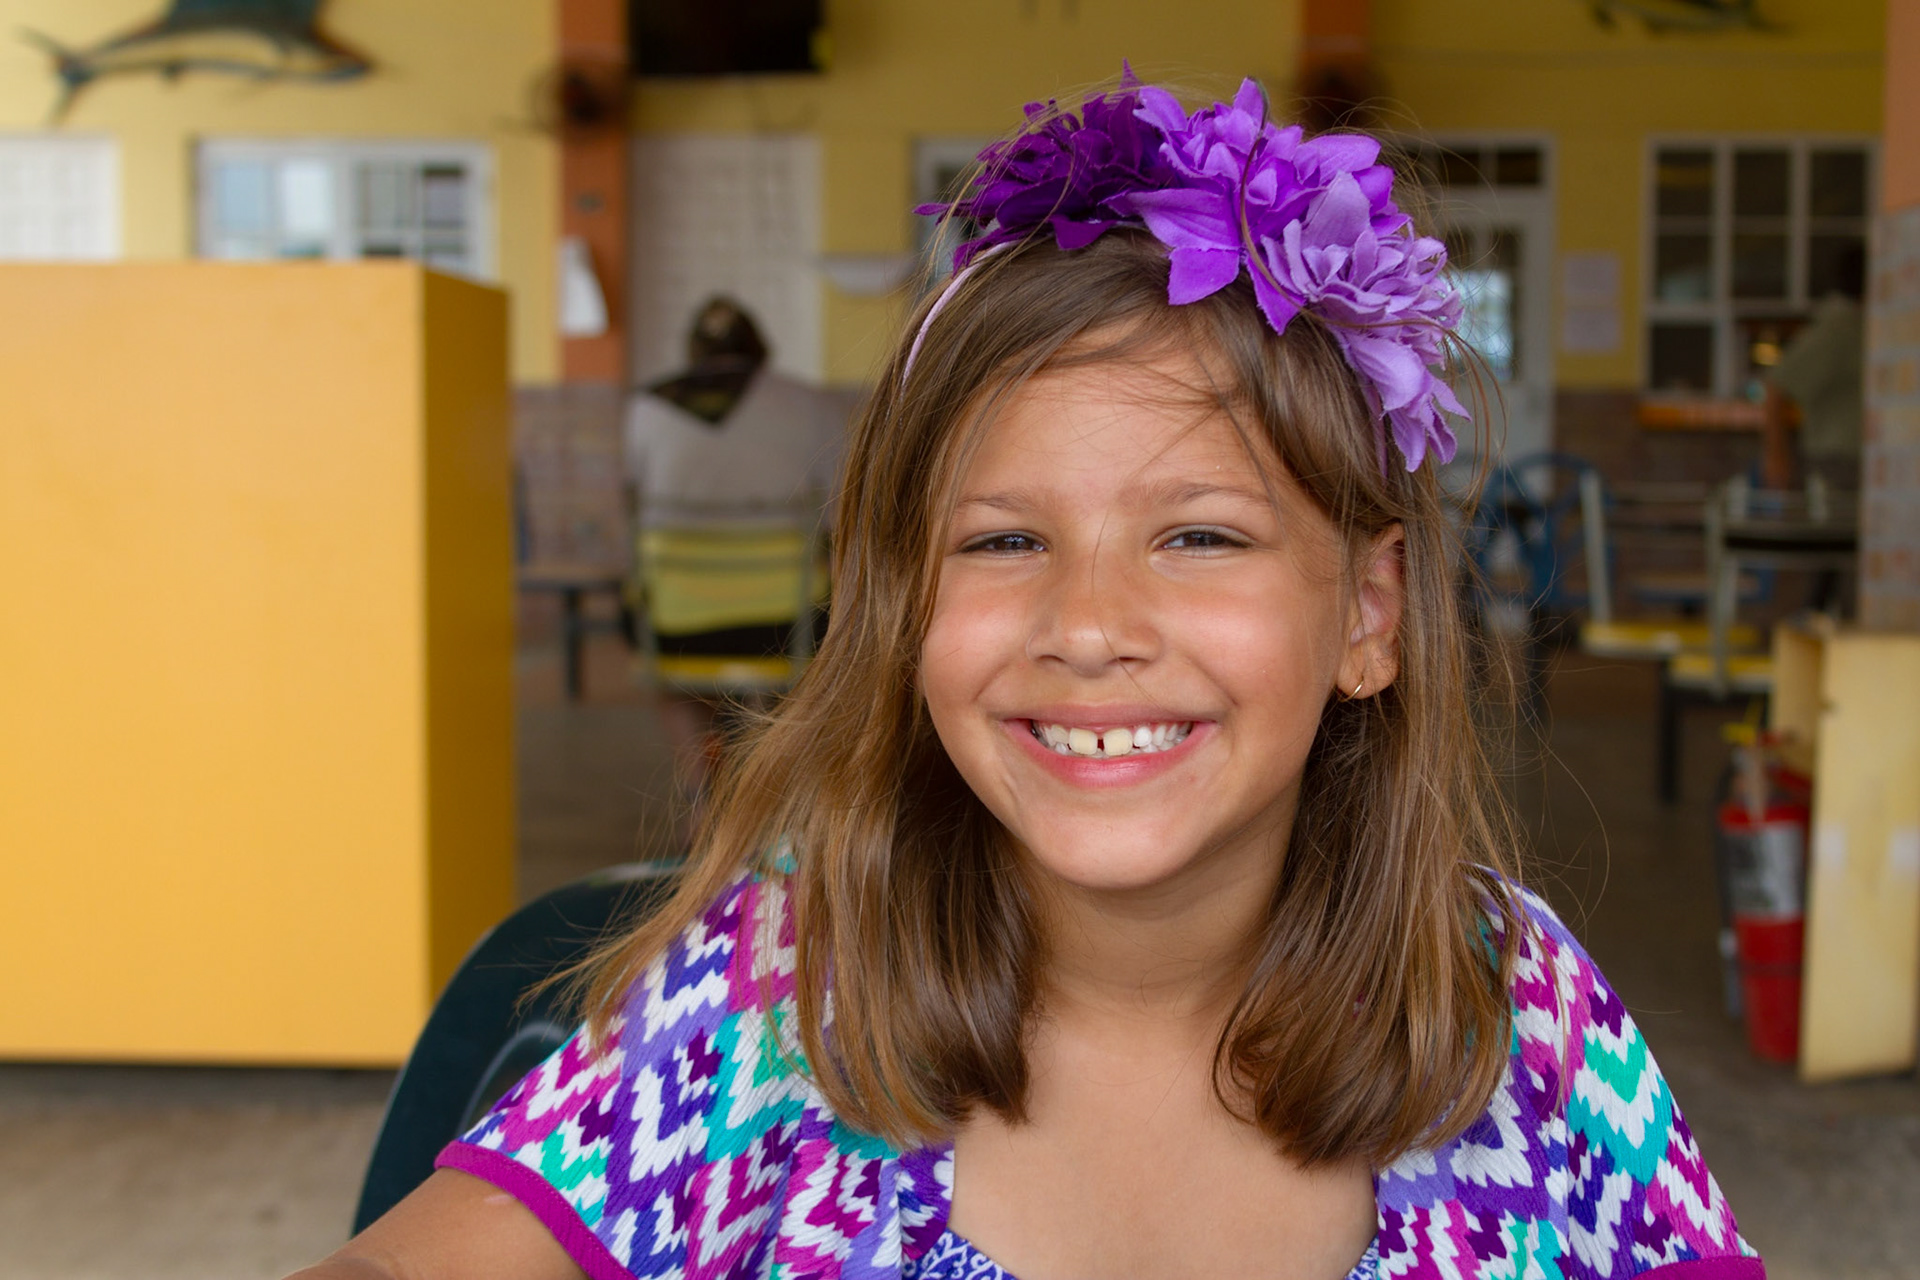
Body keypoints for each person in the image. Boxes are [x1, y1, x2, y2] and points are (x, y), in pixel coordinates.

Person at [291, 73, 1761, 1280]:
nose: (1090, 623)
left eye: (1198, 533)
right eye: (1002, 539)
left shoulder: (1509, 1008)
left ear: (1370, 612)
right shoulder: (784, 992)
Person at [624, 297, 850, 837]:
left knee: (646, 615)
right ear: (760, 353)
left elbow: (631, 507)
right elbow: (844, 519)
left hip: (680, 628)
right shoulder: (809, 403)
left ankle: (699, 783)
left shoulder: (647, 407)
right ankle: (776, 778)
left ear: (694, 355)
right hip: (789, 627)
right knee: (822, 602)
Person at [1761, 244, 1865, 492]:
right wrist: (1777, 457)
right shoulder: (1839, 327)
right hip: (1839, 462)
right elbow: (1777, 385)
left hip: (1849, 458)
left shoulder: (1856, 325)